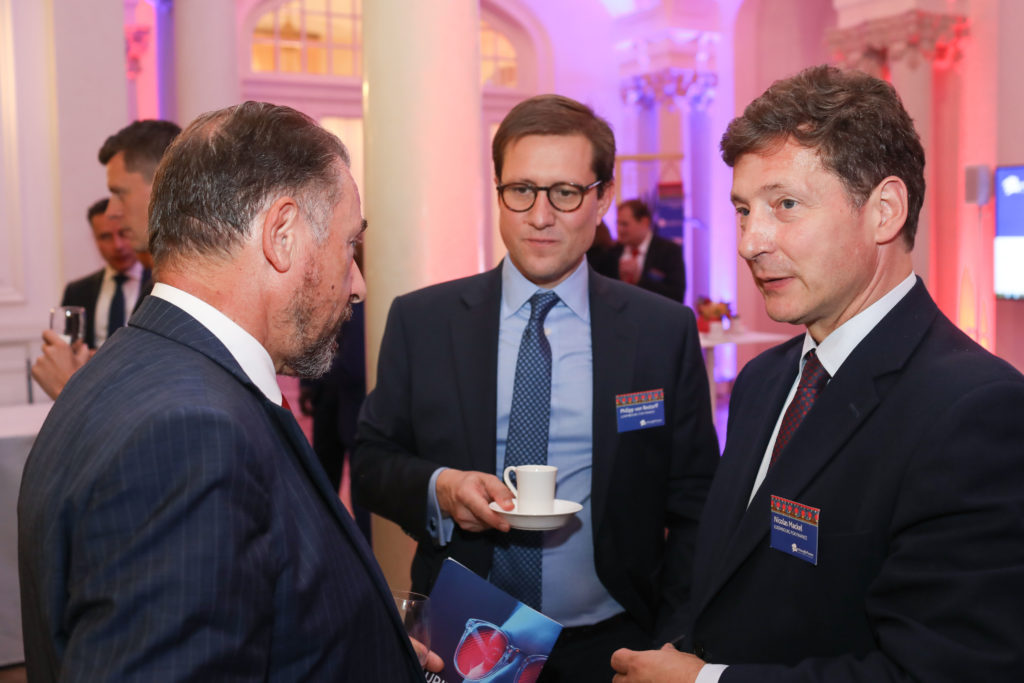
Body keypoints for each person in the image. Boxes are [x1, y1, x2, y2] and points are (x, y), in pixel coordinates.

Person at [611, 65, 1024, 682]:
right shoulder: (763, 380)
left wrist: (704, 682)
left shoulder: (976, 409)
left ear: (884, 211)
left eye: (785, 205)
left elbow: (943, 671)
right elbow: (726, 575)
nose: (750, 241)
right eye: (744, 210)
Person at [19, 101, 437, 681]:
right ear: (282, 235)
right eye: (349, 247)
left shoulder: (133, 365)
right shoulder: (190, 435)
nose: (358, 284)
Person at [352, 94, 719, 682]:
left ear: (603, 197)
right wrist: (441, 489)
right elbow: (371, 462)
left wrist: (671, 637)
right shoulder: (424, 322)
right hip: (464, 637)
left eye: (565, 192)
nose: (540, 216)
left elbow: (698, 503)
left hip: (615, 646)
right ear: (498, 191)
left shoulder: (661, 331)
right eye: (521, 190)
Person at [31, 119, 180, 399]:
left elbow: (161, 415)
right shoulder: (161, 285)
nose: (112, 211)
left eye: (118, 193)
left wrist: (69, 389)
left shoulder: (188, 290)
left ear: (162, 185)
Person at [59, 198, 151, 349]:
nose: (117, 245)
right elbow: (70, 348)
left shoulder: (160, 284)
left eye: (123, 233)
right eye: (105, 237)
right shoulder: (76, 292)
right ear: (94, 239)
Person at [604, 199, 685, 302]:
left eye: (624, 224)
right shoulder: (611, 252)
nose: (619, 229)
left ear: (644, 223)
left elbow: (677, 296)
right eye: (618, 223)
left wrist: (639, 279)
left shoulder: (669, 251)